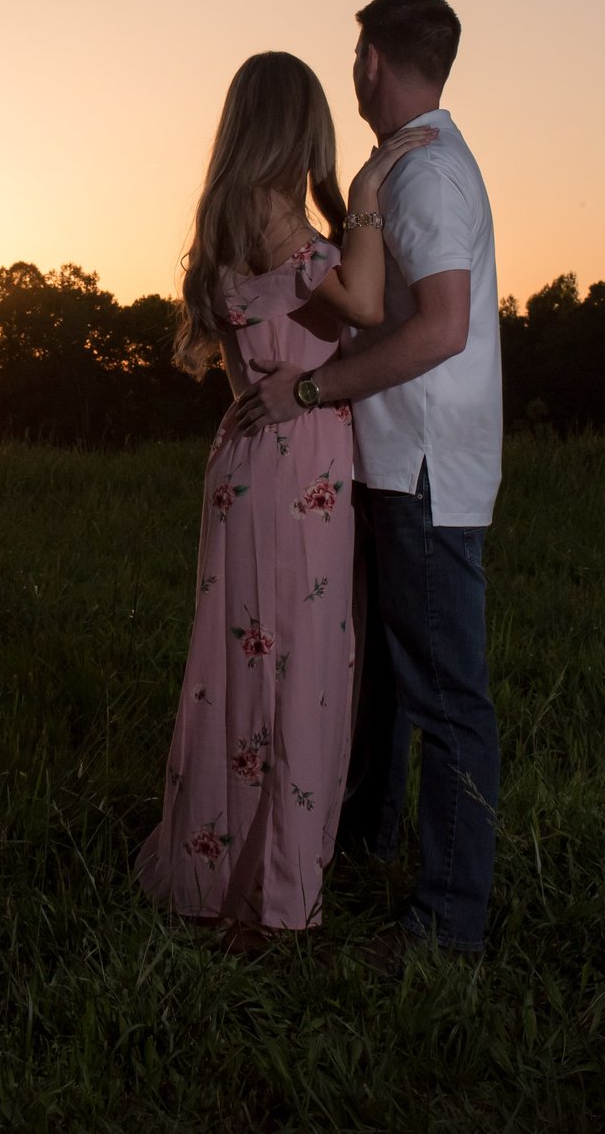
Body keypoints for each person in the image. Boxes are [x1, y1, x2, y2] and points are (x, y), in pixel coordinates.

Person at [222, 0, 503, 958]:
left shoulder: (424, 177)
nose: (352, 78)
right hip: (396, 461)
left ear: (373, 61)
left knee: (444, 694)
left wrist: (313, 391)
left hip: (421, 464)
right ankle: (361, 841)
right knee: (386, 679)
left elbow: (439, 326)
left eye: (356, 60)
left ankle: (447, 921)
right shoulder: (410, 166)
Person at [135, 51, 437, 951]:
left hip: (243, 461)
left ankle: (216, 874)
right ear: (299, 128)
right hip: (297, 466)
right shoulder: (298, 244)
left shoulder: (229, 225)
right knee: (299, 672)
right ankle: (270, 905)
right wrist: (371, 190)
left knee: (239, 665)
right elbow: (375, 304)